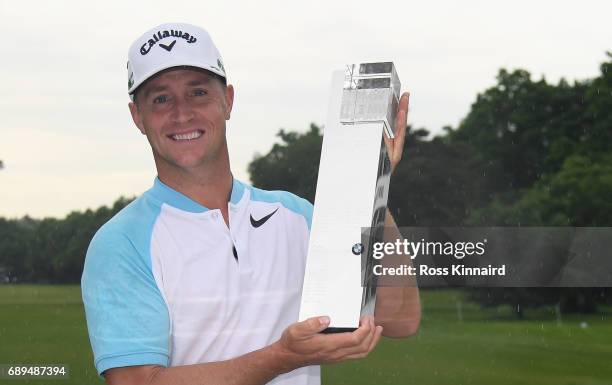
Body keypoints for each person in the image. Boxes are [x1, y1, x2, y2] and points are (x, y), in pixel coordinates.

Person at [81, 22, 420, 385]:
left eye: (198, 93)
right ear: (138, 116)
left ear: (227, 99)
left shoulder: (298, 217)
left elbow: (400, 317)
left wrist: (371, 182)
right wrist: (281, 357)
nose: (182, 114)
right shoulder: (121, 242)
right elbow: (136, 382)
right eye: (161, 99)